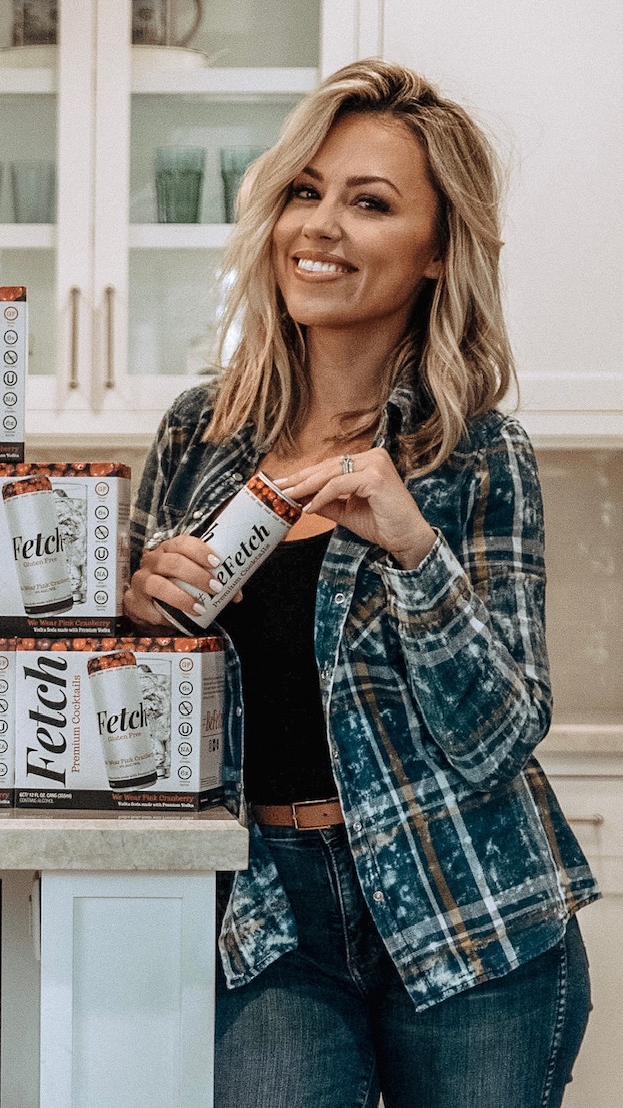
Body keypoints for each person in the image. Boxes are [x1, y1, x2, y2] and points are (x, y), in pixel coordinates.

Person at [124, 58, 599, 1108]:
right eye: (305, 190)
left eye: (368, 202)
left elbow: (499, 730)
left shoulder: (475, 455)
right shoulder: (197, 440)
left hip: (469, 905)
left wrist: (413, 550)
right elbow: (138, 729)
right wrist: (134, 619)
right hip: (267, 911)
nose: (319, 226)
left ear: (435, 254)